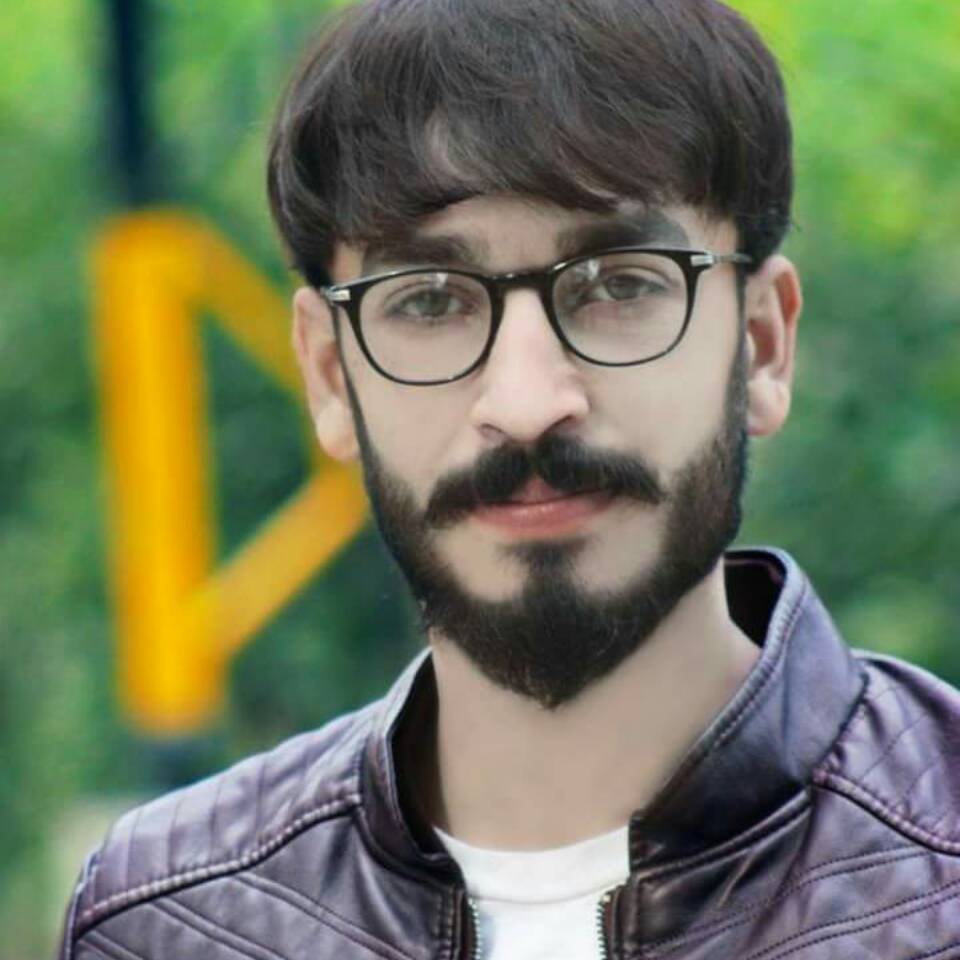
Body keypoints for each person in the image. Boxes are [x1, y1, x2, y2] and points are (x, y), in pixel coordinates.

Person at [59, 1, 960, 957]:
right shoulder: (165, 922)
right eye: (428, 300)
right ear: (328, 373)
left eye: (619, 282)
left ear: (763, 343)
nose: (527, 404)